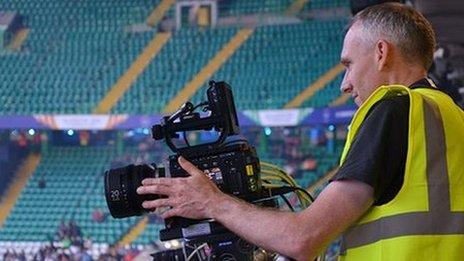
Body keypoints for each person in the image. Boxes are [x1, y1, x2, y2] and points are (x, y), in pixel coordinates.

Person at [137, 3, 464, 260]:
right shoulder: (452, 114)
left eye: (348, 64)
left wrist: (212, 202)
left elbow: (303, 239)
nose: (344, 83)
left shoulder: (394, 106)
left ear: (381, 53)